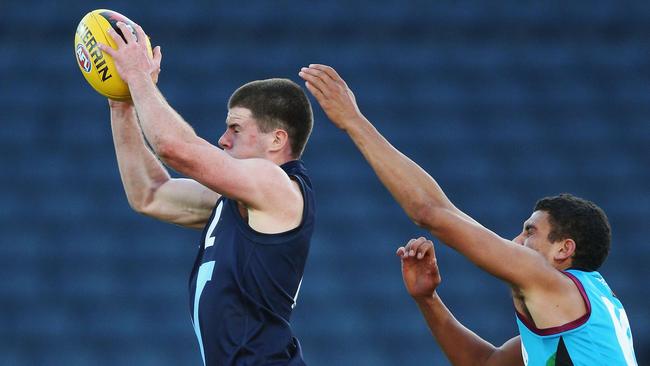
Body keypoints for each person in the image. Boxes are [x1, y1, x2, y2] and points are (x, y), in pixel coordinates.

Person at [299, 64, 638, 365]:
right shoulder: (580, 309)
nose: (516, 240)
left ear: (564, 249)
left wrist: (354, 123)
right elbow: (486, 363)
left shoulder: (553, 283)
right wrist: (428, 300)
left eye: (530, 231)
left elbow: (429, 213)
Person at [99, 23, 316, 365]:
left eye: (236, 128)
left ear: (277, 140)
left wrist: (138, 77)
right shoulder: (239, 200)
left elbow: (174, 148)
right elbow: (150, 194)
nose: (223, 140)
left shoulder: (276, 186)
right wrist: (121, 104)